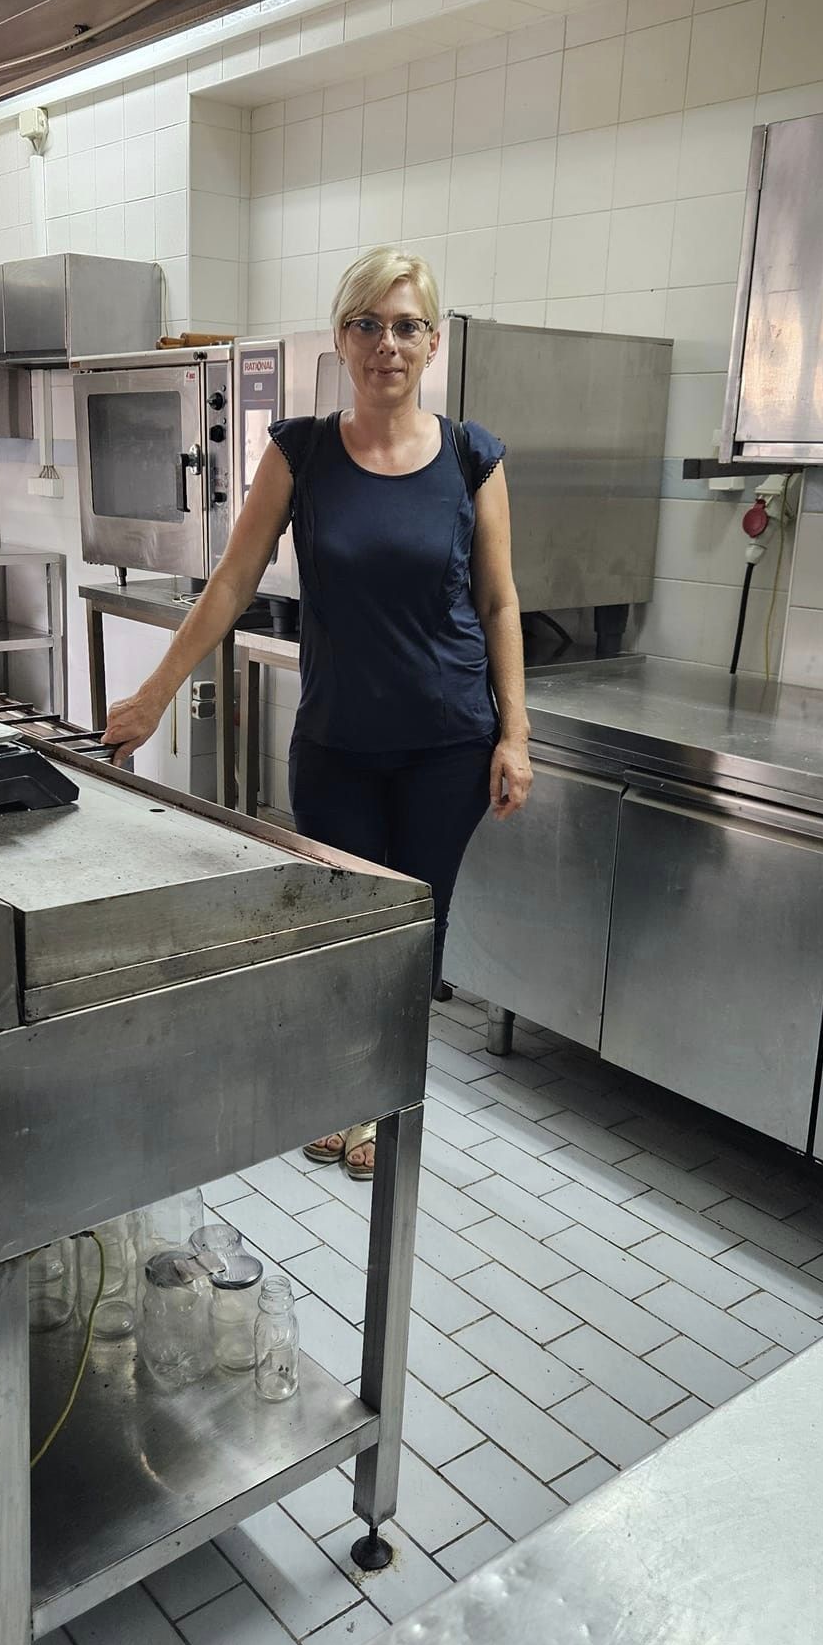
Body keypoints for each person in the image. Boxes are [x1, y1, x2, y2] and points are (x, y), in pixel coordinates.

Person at [102, 245, 532, 1177]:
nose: (388, 344)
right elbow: (231, 582)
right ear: (341, 339)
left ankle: (382, 1103)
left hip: (448, 744)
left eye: (407, 326)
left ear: (433, 342)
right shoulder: (300, 452)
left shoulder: (472, 457)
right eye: (368, 324)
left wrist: (515, 735)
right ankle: (342, 1089)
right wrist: (154, 695)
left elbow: (500, 603)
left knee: (412, 931)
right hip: (338, 741)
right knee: (338, 925)